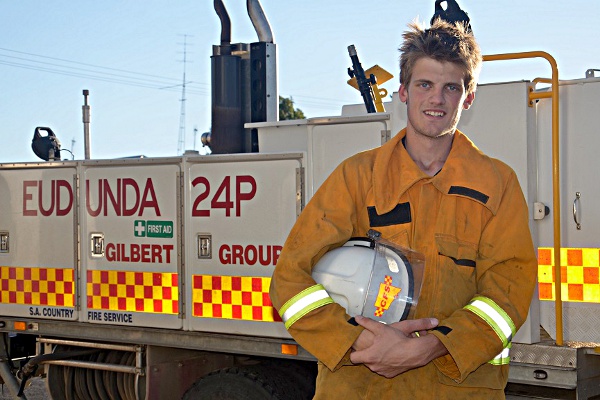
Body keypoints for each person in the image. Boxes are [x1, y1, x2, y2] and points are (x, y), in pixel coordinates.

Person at [269, 18, 537, 399]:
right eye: (424, 84)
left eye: (451, 88)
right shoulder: (358, 177)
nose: (437, 99)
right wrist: (360, 344)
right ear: (404, 92)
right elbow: (290, 280)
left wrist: (433, 346)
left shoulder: (497, 184)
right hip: (361, 388)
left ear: (469, 97)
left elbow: (507, 294)